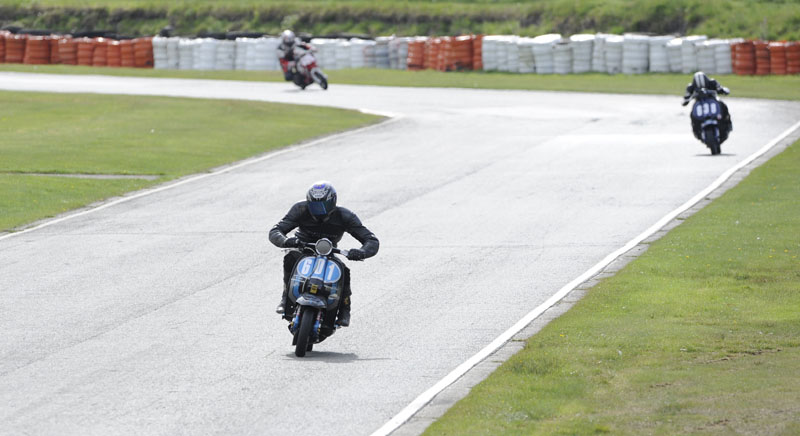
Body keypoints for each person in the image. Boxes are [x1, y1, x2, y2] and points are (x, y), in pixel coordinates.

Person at [269, 181, 379, 327]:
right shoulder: (300, 209)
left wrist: (361, 252)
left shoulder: (345, 215)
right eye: (314, 205)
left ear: (332, 202)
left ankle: (345, 310)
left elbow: (371, 240)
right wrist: (287, 241)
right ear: (308, 202)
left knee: (343, 270)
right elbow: (276, 230)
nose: (318, 210)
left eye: (323, 205)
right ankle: (285, 298)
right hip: (303, 246)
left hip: (328, 251)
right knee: (290, 258)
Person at [682, 71, 732, 143]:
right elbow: (686, 97)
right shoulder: (690, 87)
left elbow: (721, 88)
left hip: (713, 101)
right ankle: (696, 130)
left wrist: (722, 90)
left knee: (723, 105)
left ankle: (728, 122)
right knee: (692, 114)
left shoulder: (712, 82)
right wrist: (686, 100)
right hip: (700, 105)